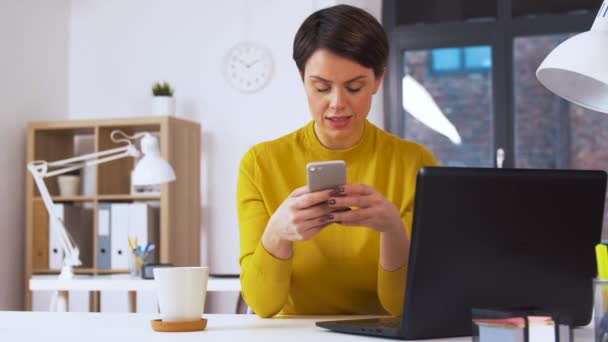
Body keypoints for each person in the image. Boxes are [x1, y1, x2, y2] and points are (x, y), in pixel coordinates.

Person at [236, 4, 438, 318]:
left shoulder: (415, 164)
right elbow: (262, 304)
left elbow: (401, 306)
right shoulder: (261, 164)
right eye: (321, 87)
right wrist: (277, 233)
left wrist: (393, 230)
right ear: (302, 79)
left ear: (378, 80)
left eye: (354, 87)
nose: (338, 104)